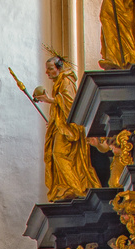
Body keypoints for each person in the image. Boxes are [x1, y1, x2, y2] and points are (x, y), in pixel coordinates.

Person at [32, 52, 104, 201]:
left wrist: (50, 99)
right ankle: (68, 187)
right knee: (55, 155)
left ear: (59, 68)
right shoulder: (60, 82)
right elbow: (60, 107)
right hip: (60, 126)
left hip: (68, 129)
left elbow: (71, 104)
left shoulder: (66, 81)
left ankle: (76, 188)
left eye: (50, 68)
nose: (47, 72)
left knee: (59, 154)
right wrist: (53, 120)